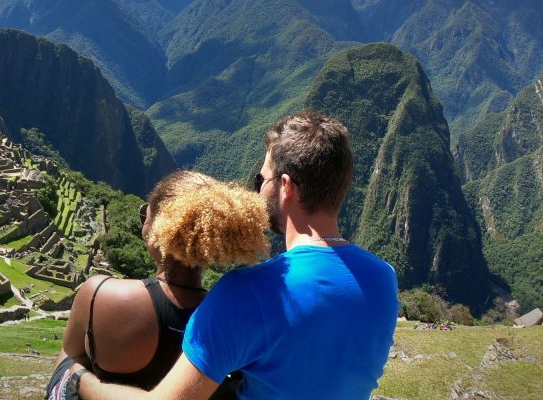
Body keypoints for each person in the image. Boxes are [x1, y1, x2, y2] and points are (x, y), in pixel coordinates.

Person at [73, 112, 401, 399]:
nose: (257, 189)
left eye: (261, 179)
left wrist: (81, 381)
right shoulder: (383, 279)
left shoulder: (248, 292)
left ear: (285, 187)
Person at [47, 171, 269, 399]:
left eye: (146, 214)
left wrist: (79, 376)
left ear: (158, 228)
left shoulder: (98, 294)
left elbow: (66, 367)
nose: (143, 221)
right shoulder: (231, 318)